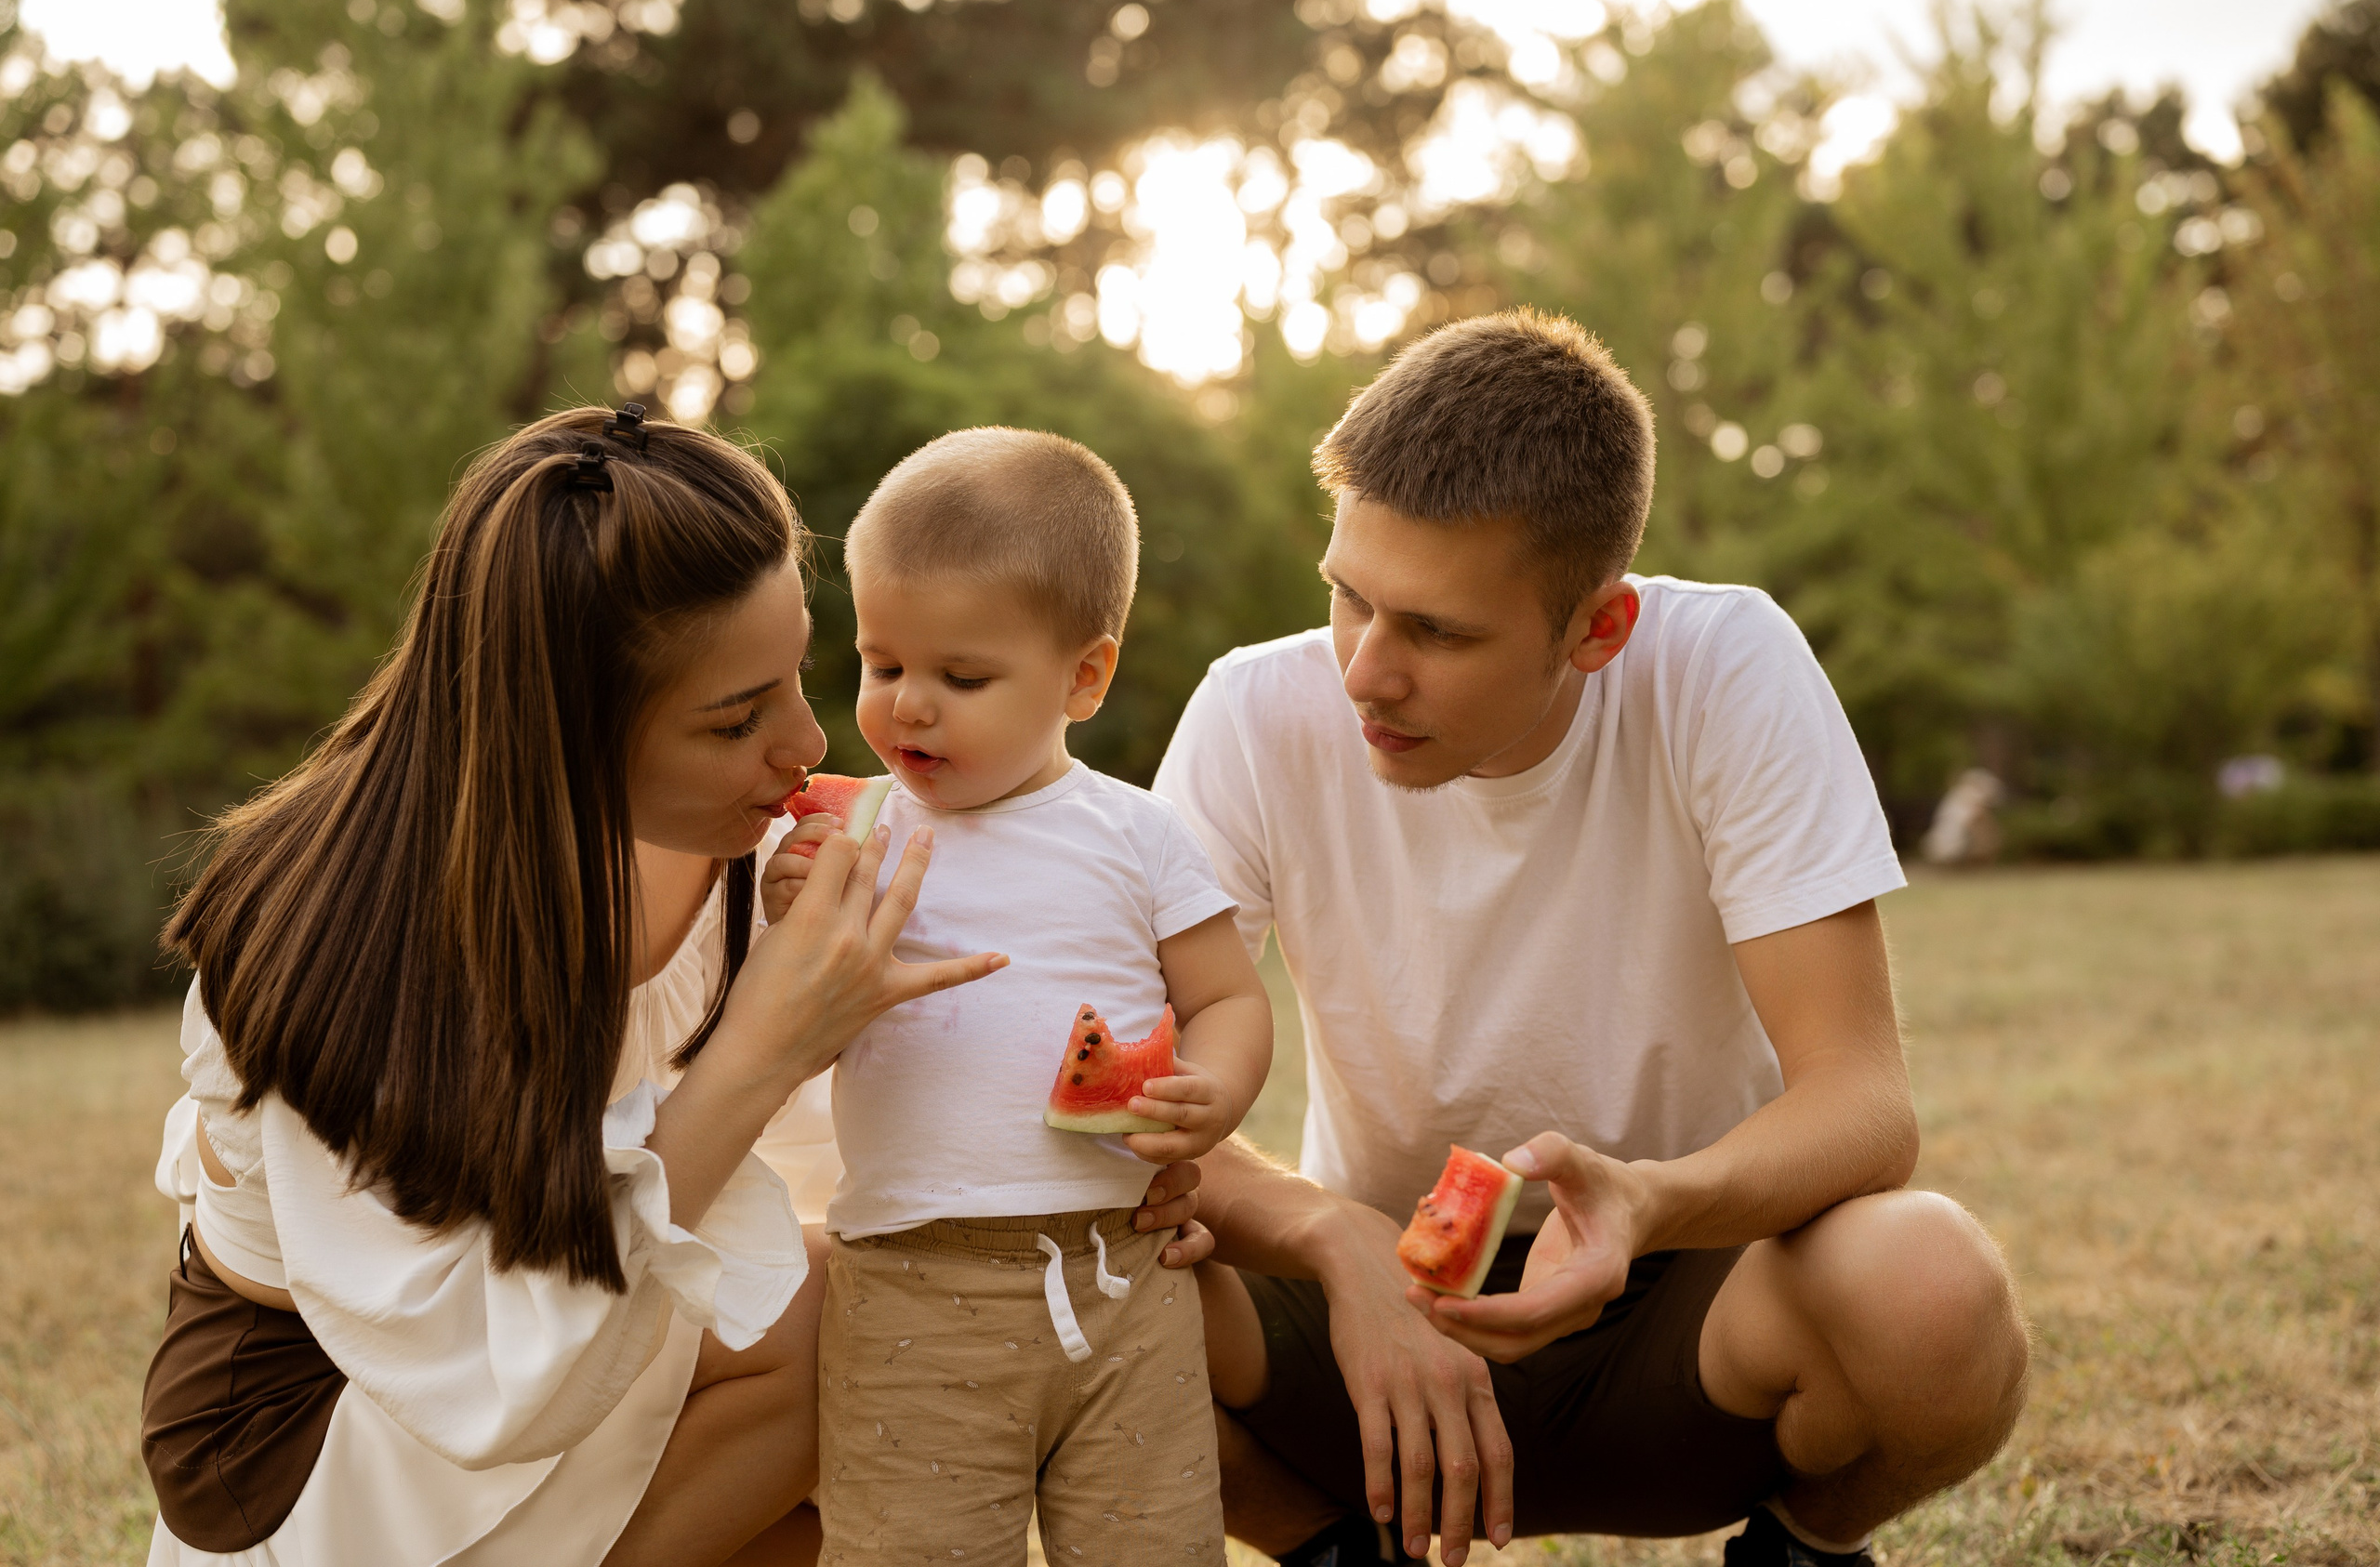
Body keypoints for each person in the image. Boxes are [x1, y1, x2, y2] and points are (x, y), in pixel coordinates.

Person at [139, 406, 1210, 1567]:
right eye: (735, 716)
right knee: (843, 1329)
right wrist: (761, 1045)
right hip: (332, 1434)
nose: (808, 741)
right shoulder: (340, 936)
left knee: (877, 1387)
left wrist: (1193, 1186)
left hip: (573, 1345)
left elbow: (1020, 1035)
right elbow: (496, 1380)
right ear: (570, 731)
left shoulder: (751, 844)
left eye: (801, 669)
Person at [1154, 311, 2032, 1567]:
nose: (1364, 671)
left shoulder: (1724, 666)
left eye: (1439, 632)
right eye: (1348, 596)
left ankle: (1798, 1548)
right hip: (1366, 1329)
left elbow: (1864, 1102)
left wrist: (1648, 1204)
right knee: (1031, 1268)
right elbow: (1127, 1092)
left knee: (1930, 1281)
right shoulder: (1253, 709)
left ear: (1598, 629)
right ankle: (1335, 1550)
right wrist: (1327, 1236)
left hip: (1685, 1316)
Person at [758, 428, 1273, 1565]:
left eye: (962, 676)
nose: (907, 708)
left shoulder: (1137, 832)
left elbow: (1228, 995)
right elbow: (780, 1034)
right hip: (904, 1288)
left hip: (1125, 1278)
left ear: (1083, 676)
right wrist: (793, 918)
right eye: (883, 664)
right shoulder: (855, 836)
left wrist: (1215, 1089)